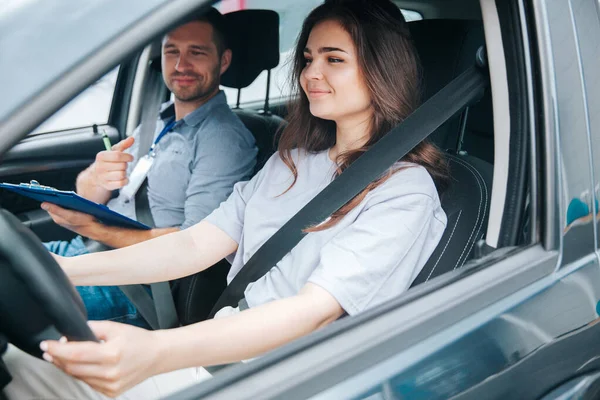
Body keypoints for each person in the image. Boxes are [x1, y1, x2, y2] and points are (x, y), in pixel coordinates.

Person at [3, 0, 449, 398]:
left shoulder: (405, 191)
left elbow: (313, 313)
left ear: (381, 69)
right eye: (309, 58)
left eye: (334, 59)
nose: (311, 73)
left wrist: (157, 350)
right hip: (218, 352)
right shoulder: (291, 161)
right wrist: (60, 271)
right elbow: (194, 244)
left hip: (282, 378)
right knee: (17, 367)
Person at [41, 8, 257, 327]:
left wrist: (94, 230)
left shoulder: (223, 139)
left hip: (136, 284)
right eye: (172, 52)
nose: (181, 65)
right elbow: (95, 193)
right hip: (85, 250)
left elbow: (192, 244)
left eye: (196, 52)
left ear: (223, 61)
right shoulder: (158, 119)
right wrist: (96, 177)